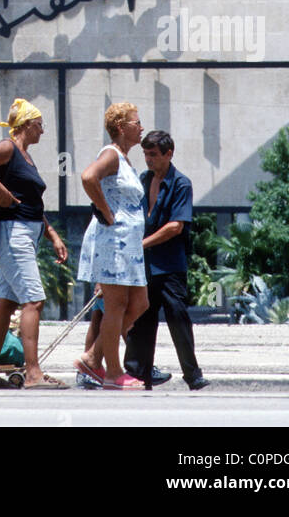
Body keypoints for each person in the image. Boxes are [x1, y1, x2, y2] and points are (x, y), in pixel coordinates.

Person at [0, 97, 69, 389]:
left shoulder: (24, 155)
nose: (43, 131)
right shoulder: (8, 147)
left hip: (25, 233)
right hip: (12, 235)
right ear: (26, 125)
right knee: (33, 301)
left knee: (6, 303)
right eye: (39, 125)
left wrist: (51, 234)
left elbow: (32, 202)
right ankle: (34, 373)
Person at [123, 130, 210, 391]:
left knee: (178, 318)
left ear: (168, 154)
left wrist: (142, 244)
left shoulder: (181, 183)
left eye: (154, 155)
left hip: (170, 265)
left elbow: (175, 226)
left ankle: (192, 375)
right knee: (142, 321)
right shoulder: (143, 179)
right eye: (146, 154)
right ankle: (140, 373)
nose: (149, 160)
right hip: (145, 266)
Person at [76, 101, 149, 390]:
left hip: (129, 245)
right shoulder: (111, 154)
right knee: (116, 304)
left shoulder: (125, 159)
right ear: (121, 127)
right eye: (136, 122)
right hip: (114, 241)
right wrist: (106, 212)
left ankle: (94, 356)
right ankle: (112, 372)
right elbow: (87, 177)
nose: (141, 127)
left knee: (140, 302)